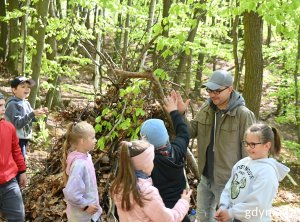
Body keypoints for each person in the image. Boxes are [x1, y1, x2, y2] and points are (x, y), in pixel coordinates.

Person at [174, 70, 256, 221]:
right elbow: (191, 131)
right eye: (210, 90)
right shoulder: (207, 109)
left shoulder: (243, 115)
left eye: (217, 90)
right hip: (205, 178)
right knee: (203, 218)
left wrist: (245, 183)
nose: (212, 94)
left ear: (230, 89)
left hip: (229, 182)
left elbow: (250, 151)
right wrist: (180, 114)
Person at [215, 123, 290, 222]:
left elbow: (258, 205)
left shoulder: (267, 172)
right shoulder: (242, 163)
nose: (248, 148)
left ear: (267, 146)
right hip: (236, 218)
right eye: (246, 143)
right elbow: (229, 187)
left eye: (253, 144)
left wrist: (231, 212)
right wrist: (224, 206)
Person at [110, 139, 192, 222]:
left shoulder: (118, 187)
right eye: (152, 160)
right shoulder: (147, 193)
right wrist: (184, 202)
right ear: (145, 165)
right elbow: (169, 219)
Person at [140, 94, 191, 222]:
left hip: (159, 214)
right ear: (166, 136)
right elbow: (183, 132)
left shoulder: (145, 163)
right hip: (180, 211)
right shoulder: (178, 150)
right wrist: (175, 112)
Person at [62, 121, 102, 222]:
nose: (95, 140)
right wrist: (86, 206)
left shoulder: (87, 156)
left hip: (91, 214)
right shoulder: (79, 164)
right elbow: (71, 193)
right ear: (81, 141)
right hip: (83, 216)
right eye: (92, 138)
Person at [5, 76, 48, 158]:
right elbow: (18, 124)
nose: (27, 89)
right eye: (23, 86)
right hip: (15, 139)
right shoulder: (12, 104)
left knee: (20, 160)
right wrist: (32, 114)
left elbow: (31, 118)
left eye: (28, 87)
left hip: (23, 138)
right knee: (18, 161)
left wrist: (40, 113)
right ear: (14, 90)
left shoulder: (26, 103)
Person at [0, 92, 27, 221]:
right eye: (0, 106)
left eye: (3, 105)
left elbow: (16, 150)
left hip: (9, 182)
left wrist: (22, 171)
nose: (3, 109)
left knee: (18, 217)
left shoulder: (9, 127)